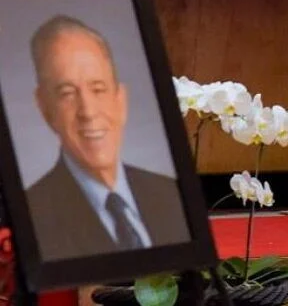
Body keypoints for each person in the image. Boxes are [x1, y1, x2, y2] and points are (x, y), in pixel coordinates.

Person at [26, 15, 190, 261]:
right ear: (44, 107)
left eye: (98, 89)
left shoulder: (171, 195)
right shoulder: (33, 217)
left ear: (120, 100)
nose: (88, 111)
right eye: (67, 93)